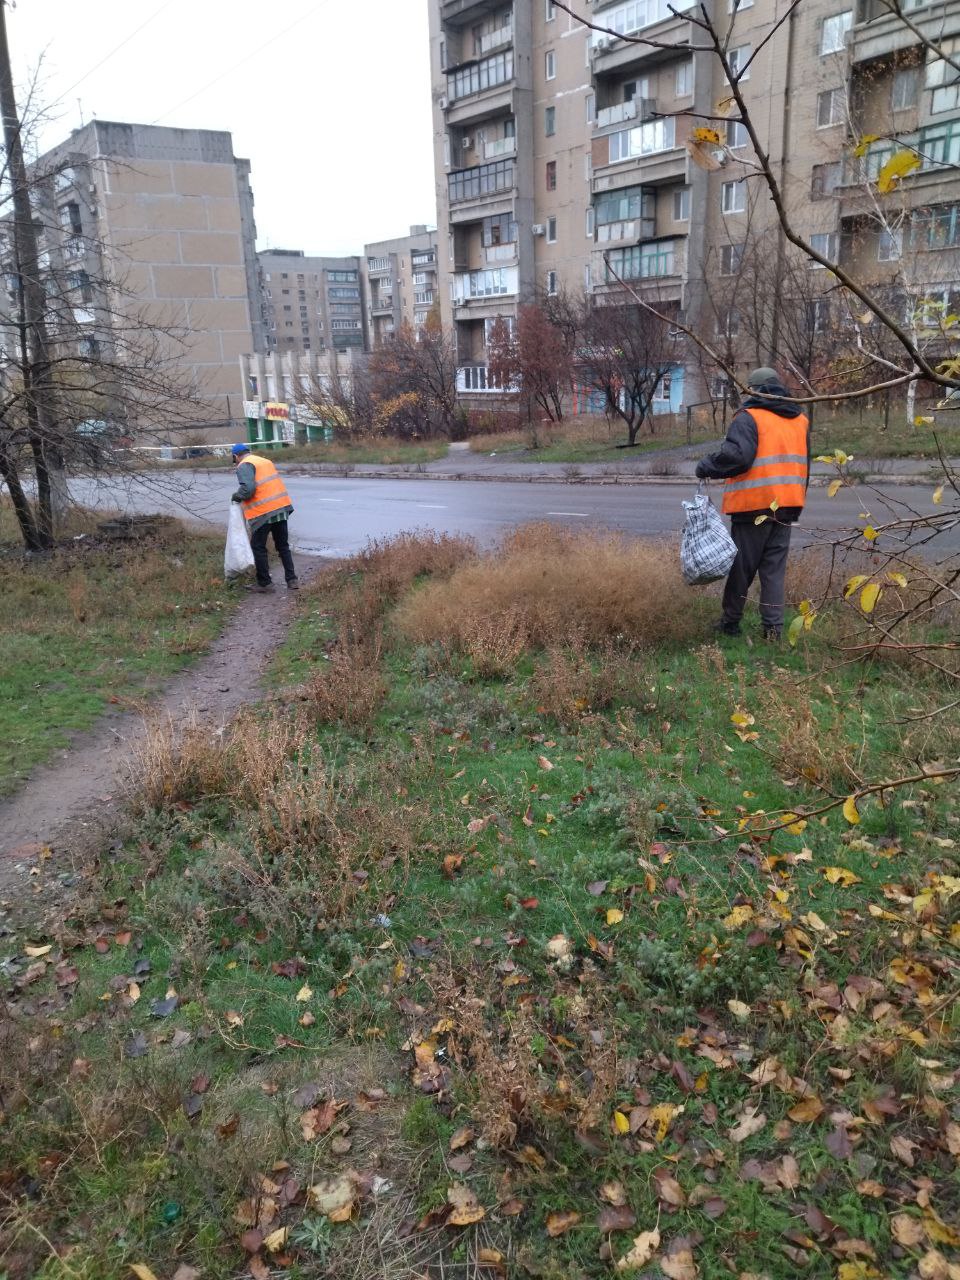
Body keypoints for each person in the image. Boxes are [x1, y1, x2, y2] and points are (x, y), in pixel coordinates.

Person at [695, 367, 809, 641]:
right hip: (788, 505)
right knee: (773, 571)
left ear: (753, 390)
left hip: (754, 506)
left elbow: (738, 457)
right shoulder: (800, 419)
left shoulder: (749, 417)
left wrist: (706, 466)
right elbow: (806, 464)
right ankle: (773, 630)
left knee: (742, 569)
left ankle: (730, 623)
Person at [230, 443, 299, 593]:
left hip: (263, 512)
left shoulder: (244, 465)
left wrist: (236, 496)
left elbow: (248, 489)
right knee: (283, 546)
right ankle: (292, 580)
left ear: (236, 456)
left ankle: (265, 583)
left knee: (258, 546)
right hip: (281, 507)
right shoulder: (265, 461)